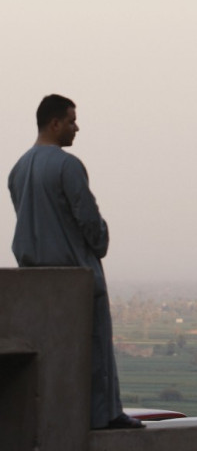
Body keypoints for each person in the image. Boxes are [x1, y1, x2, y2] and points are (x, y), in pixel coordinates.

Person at [8, 95, 143, 431]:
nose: (76, 127)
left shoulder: (18, 169)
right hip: (75, 275)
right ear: (54, 123)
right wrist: (100, 241)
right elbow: (90, 223)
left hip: (33, 281)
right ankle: (104, 415)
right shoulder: (67, 166)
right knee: (94, 347)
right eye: (71, 120)